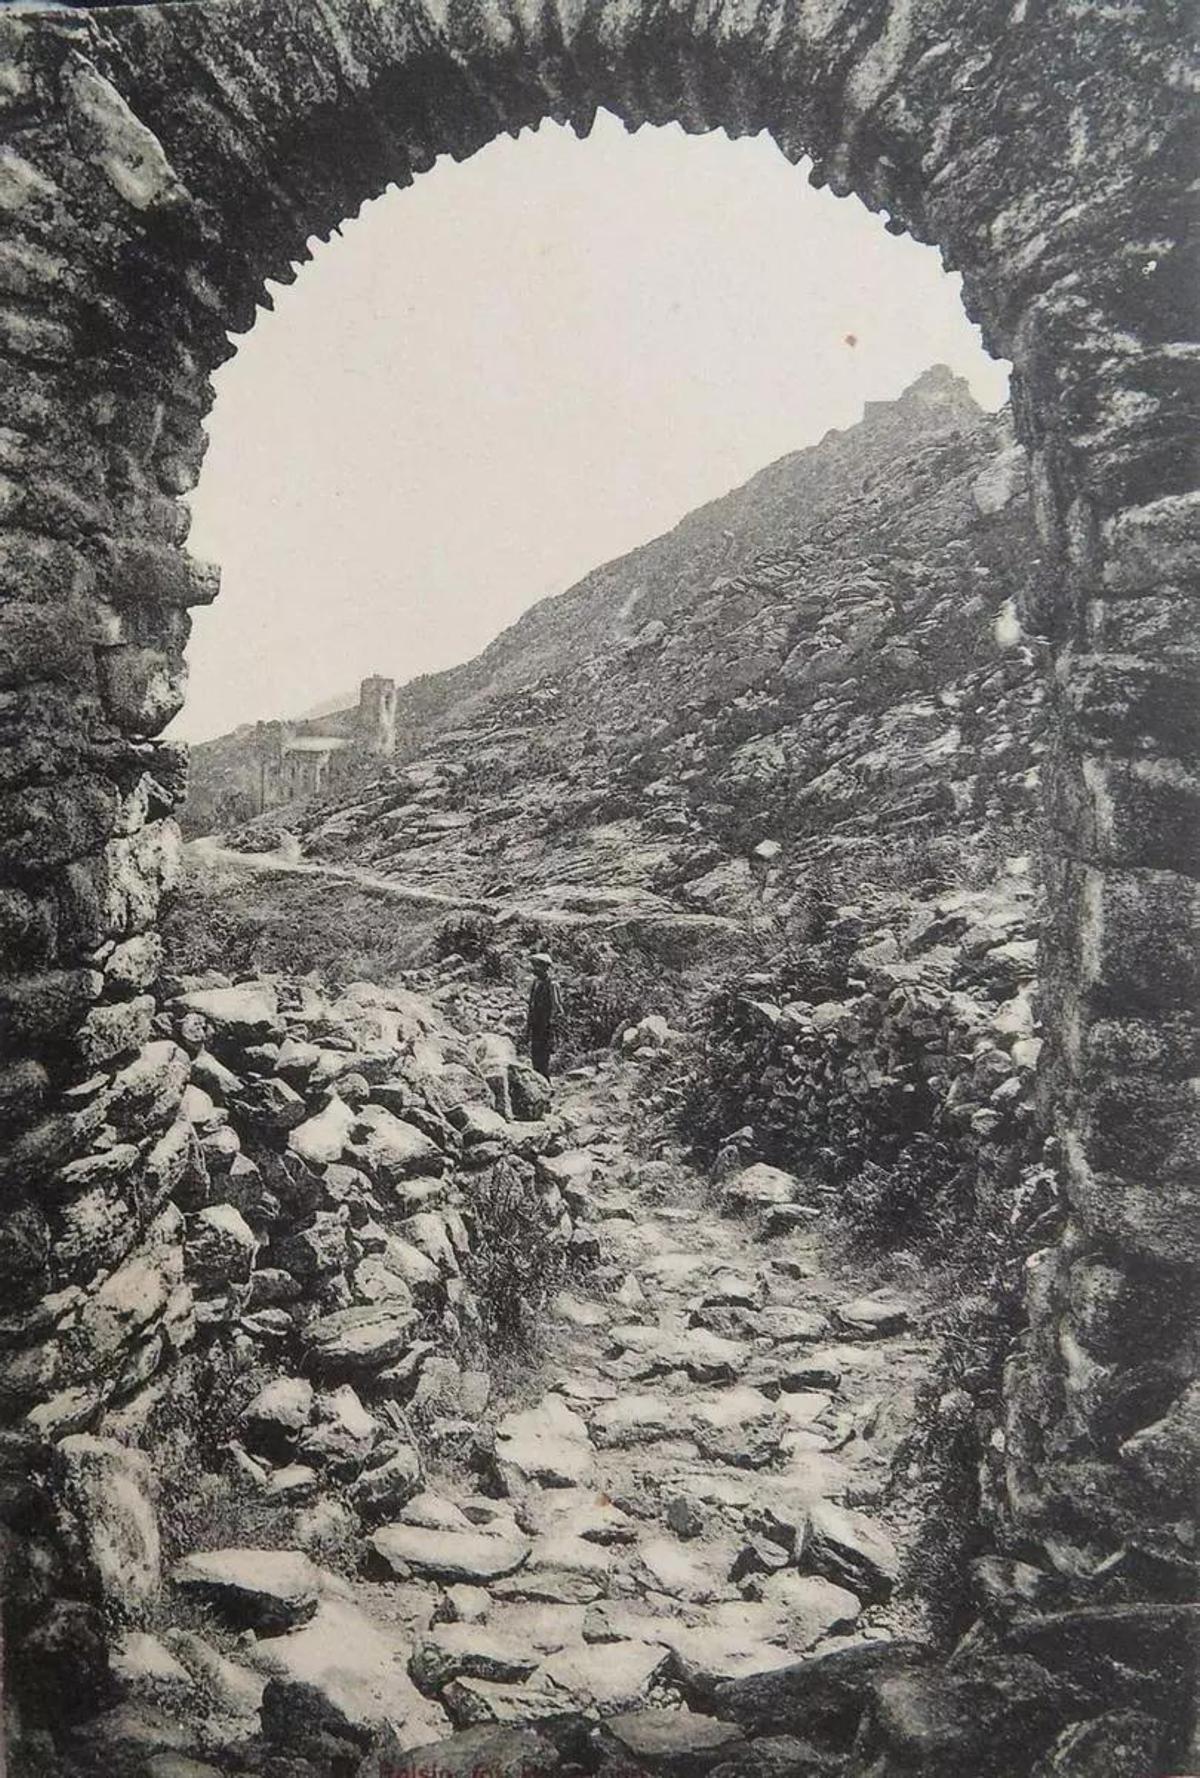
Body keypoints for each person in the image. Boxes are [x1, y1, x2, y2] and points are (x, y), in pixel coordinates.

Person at [526, 952, 563, 1081]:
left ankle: (546, 1084)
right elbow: (531, 1005)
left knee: (543, 1058)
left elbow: (557, 1007)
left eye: (537, 966)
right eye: (534, 965)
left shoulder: (552, 985)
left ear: (545, 967)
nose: (534, 969)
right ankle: (540, 1084)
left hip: (545, 1026)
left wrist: (552, 1026)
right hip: (535, 1025)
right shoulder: (535, 983)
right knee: (535, 1056)